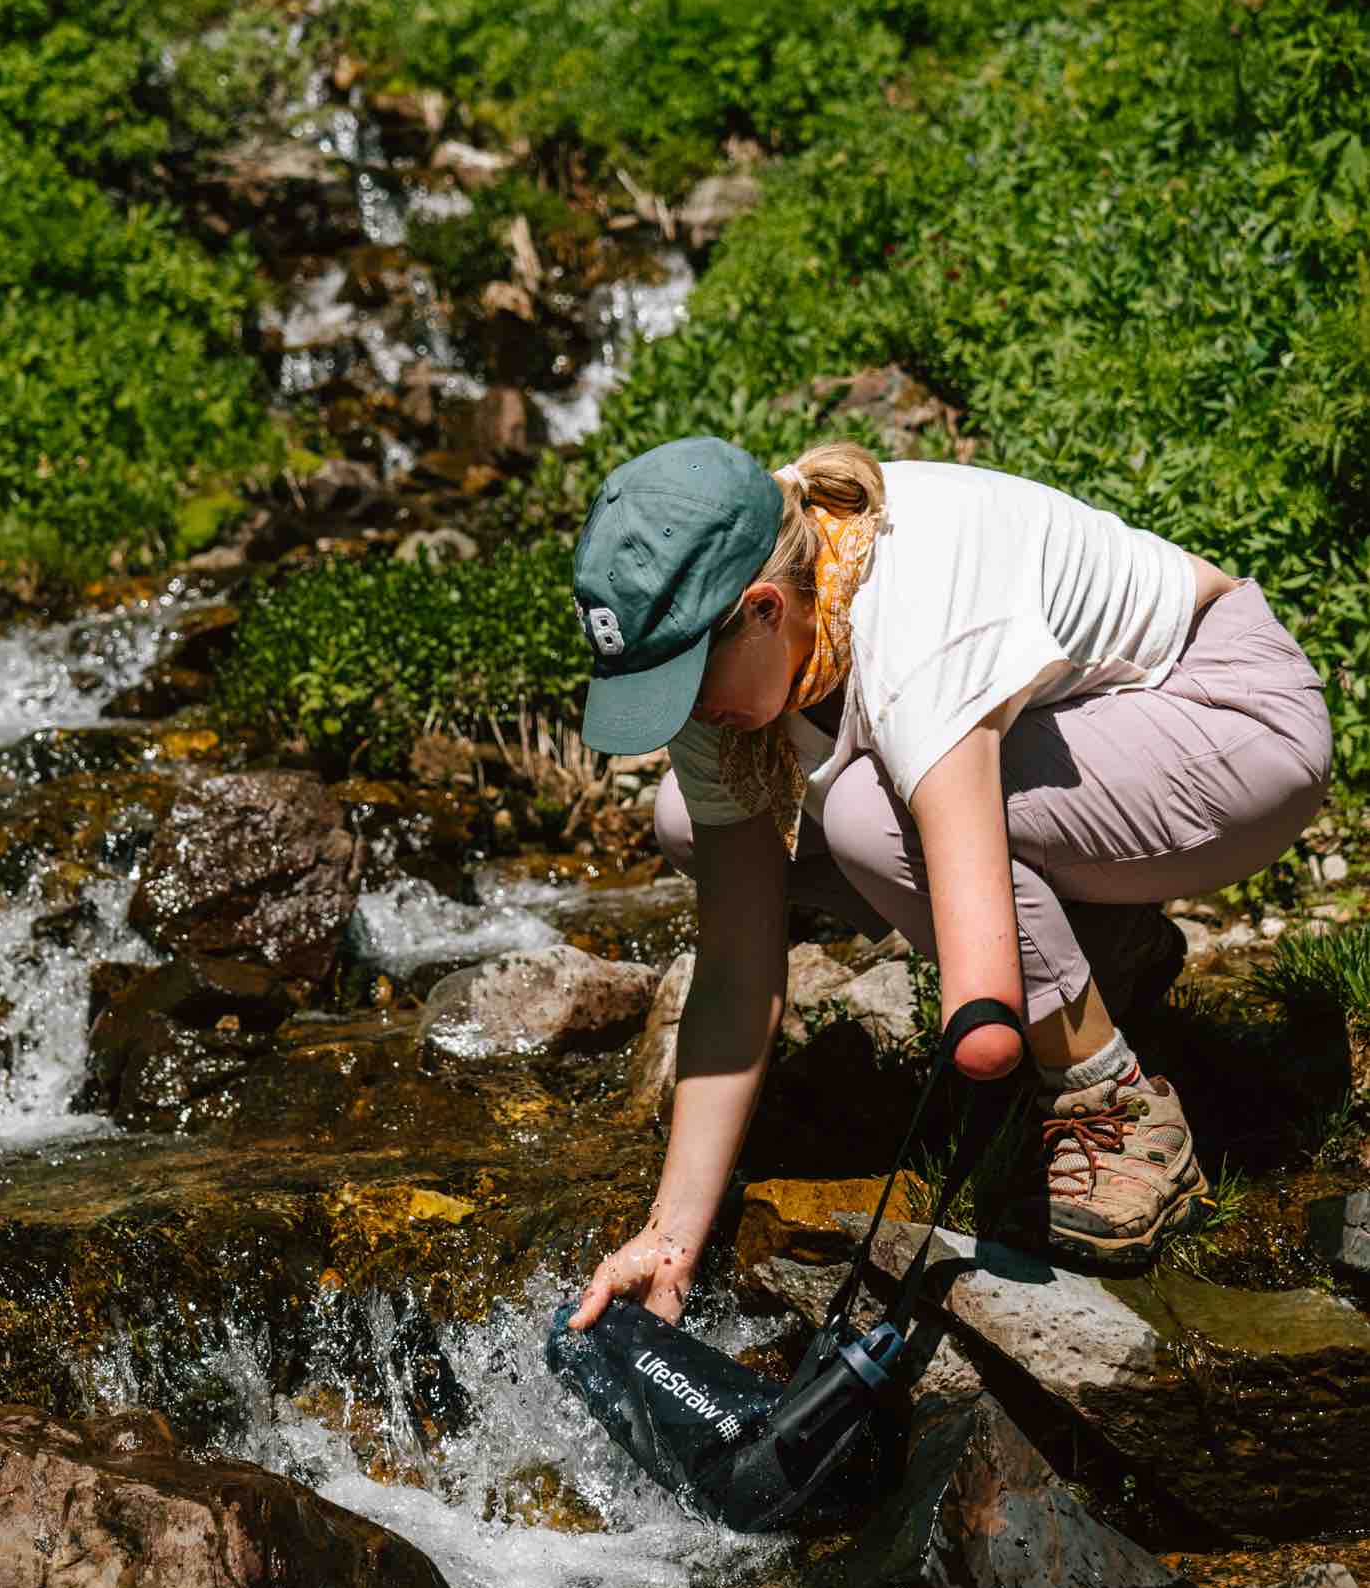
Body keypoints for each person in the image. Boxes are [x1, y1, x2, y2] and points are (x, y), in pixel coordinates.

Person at [568, 437, 1332, 1331]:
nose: (688, 714)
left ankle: (1119, 1112)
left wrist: (987, 1028)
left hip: (1228, 725)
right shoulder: (735, 644)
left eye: (688, 685)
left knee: (862, 816)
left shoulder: (912, 611)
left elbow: (975, 980)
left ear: (764, 609)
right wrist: (668, 1238)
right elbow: (738, 976)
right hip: (1080, 750)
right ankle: (1098, 952)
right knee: (686, 815)